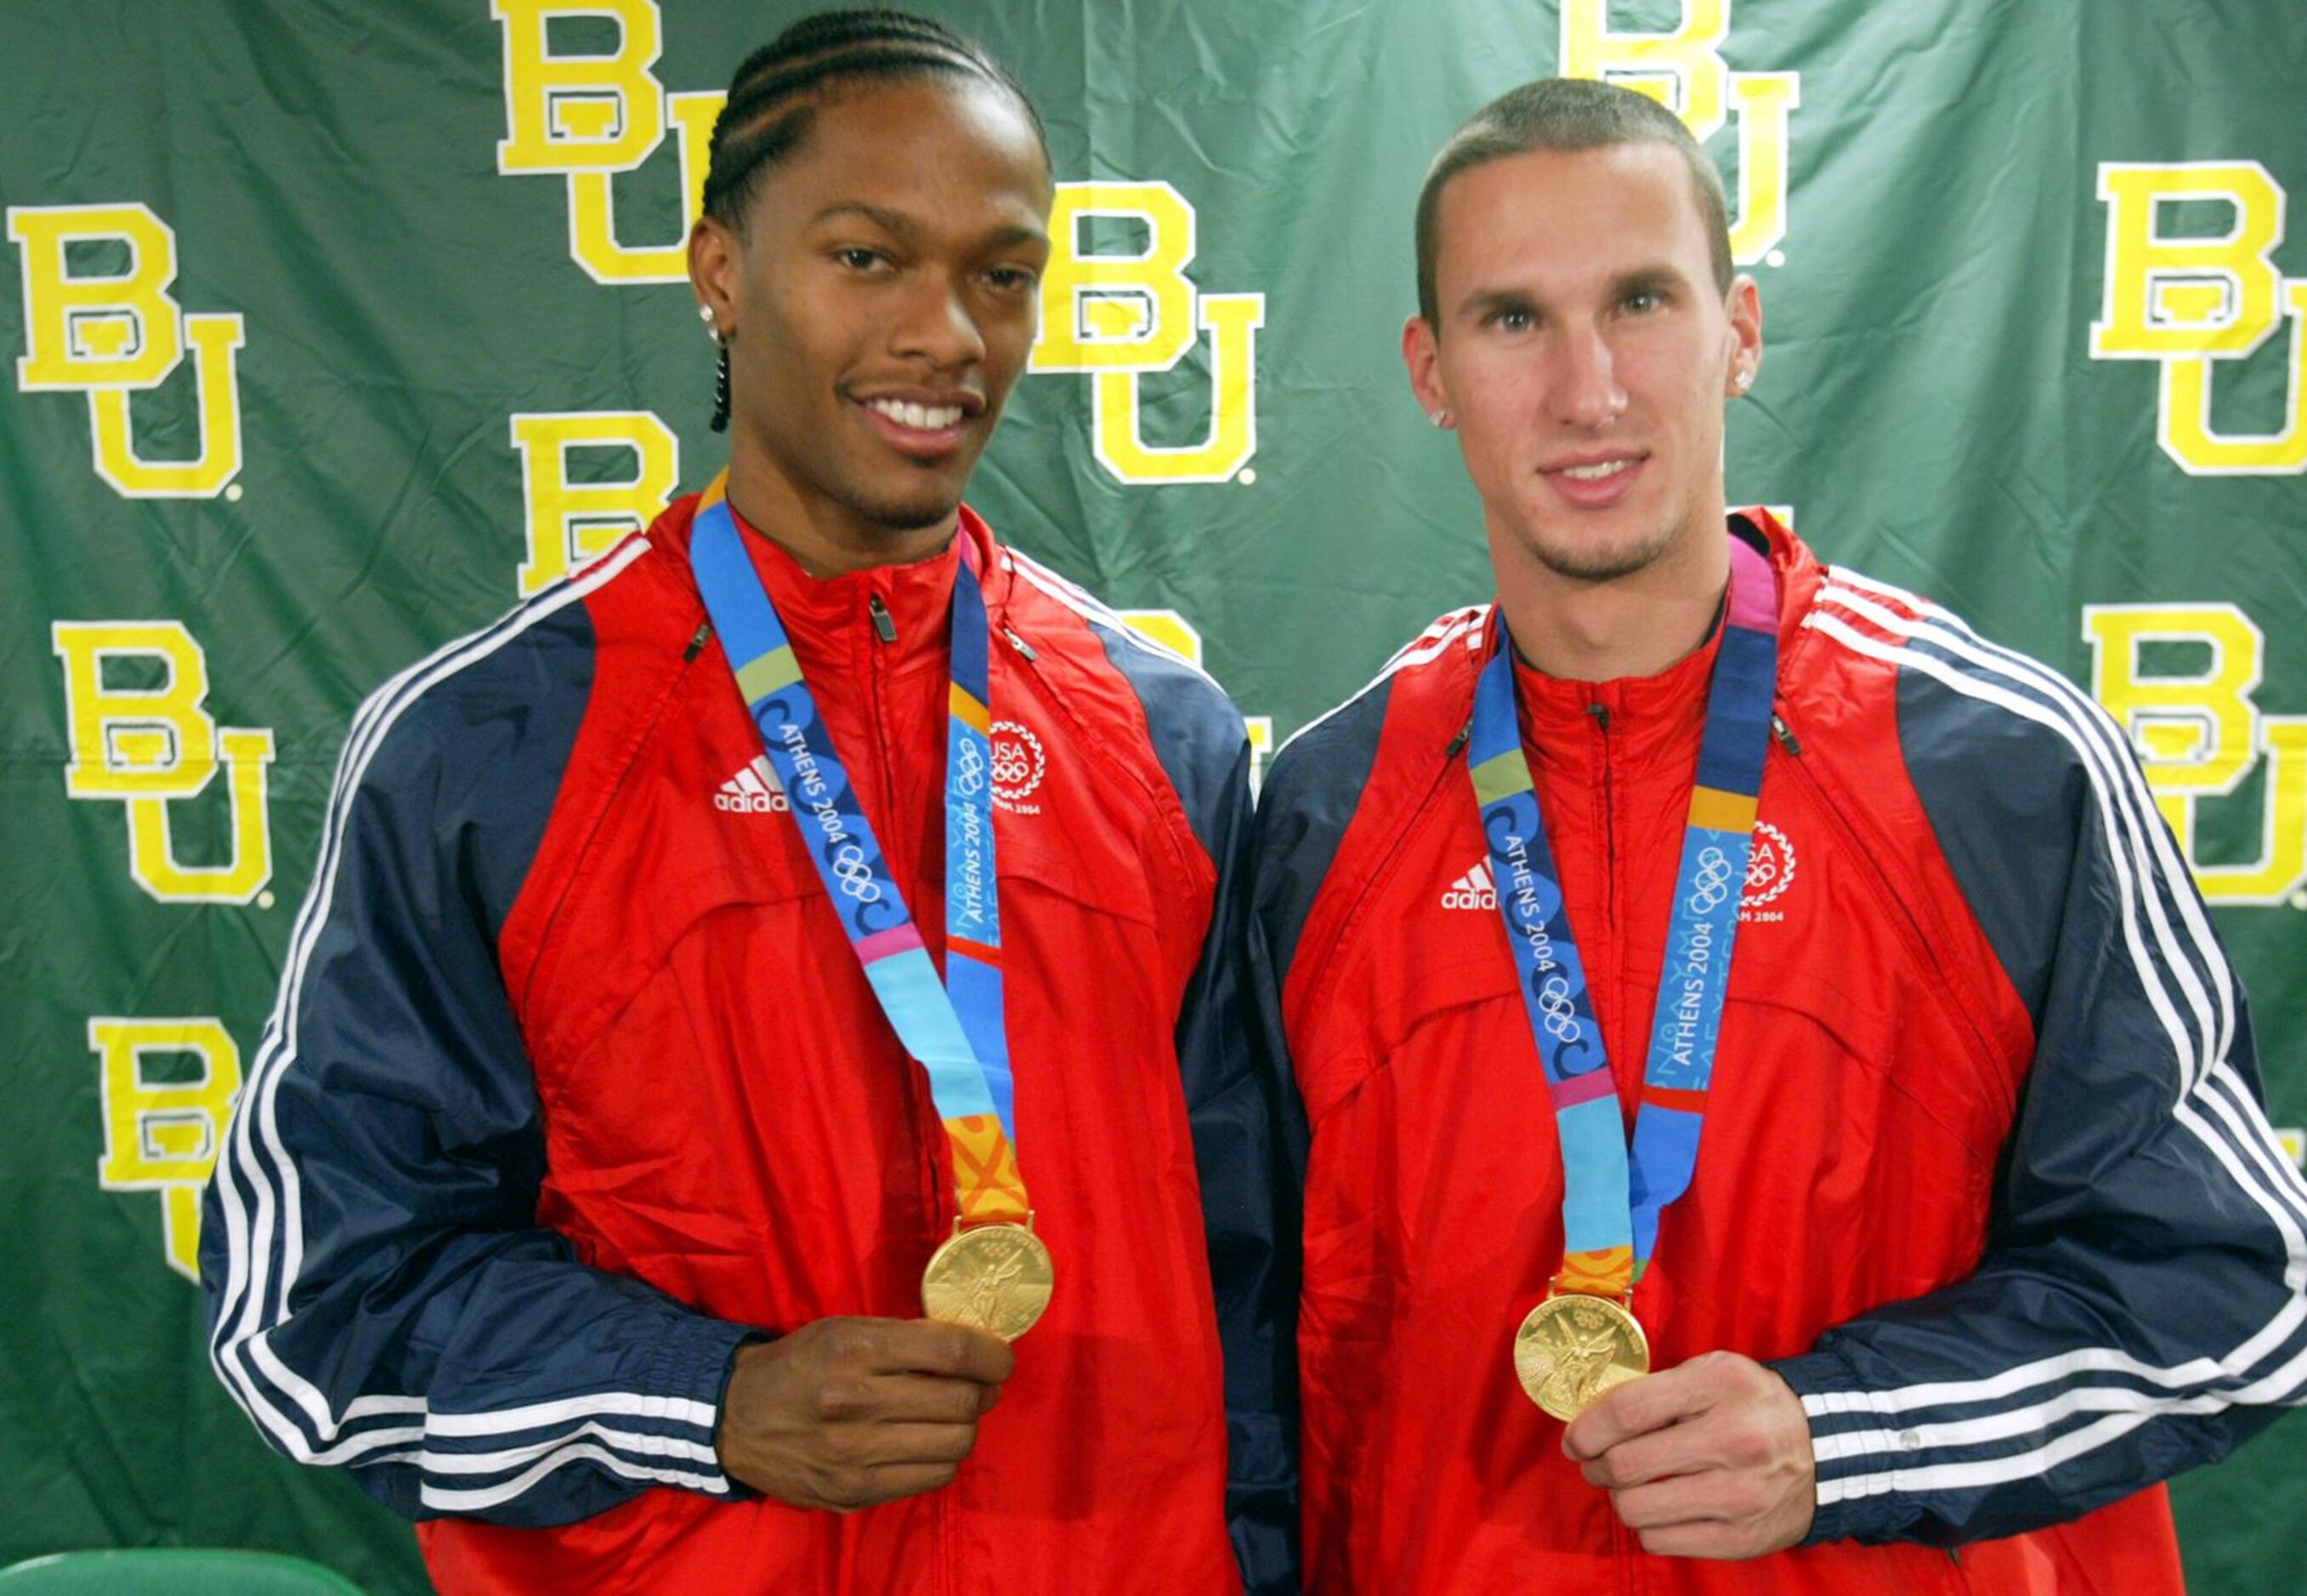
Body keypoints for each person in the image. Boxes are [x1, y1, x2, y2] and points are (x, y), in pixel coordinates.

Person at [201, 12, 1296, 1593]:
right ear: (719, 267)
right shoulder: (489, 743)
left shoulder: (1168, 738)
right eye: (866, 258)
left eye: (1001, 273)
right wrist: (709, 1401)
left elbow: (1255, 1284)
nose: (949, 334)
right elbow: (315, 1303)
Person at [1252, 76, 2305, 1593]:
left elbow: (2225, 1281)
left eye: (1639, 301)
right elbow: (1255, 1334)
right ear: (1428, 372)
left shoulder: (2000, 767)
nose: (1590, 389)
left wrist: (1849, 1434)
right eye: (1510, 321)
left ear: (1737, 329)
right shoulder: (1326, 804)